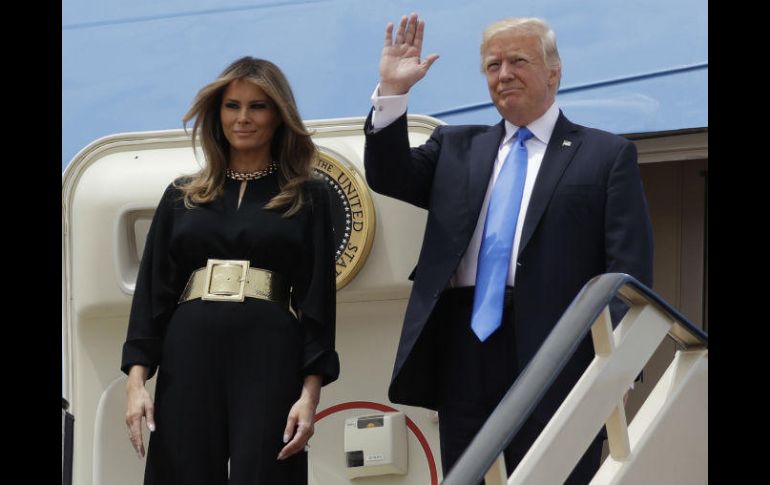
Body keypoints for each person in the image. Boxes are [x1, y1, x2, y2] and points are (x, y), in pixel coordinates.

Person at [364, 14, 653, 483]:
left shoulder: (605, 155)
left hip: (559, 347)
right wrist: (393, 92)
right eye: (493, 65)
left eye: (518, 61)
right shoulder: (455, 146)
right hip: (464, 345)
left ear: (554, 72)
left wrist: (618, 365)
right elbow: (389, 176)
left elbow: (628, 270)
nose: (503, 74)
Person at [121, 56, 339, 485]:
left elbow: (318, 303)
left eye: (258, 106)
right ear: (216, 114)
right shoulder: (181, 195)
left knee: (265, 470)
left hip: (269, 351)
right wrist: (136, 384)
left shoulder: (307, 196)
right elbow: (151, 296)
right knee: (182, 469)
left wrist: (309, 396)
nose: (243, 118)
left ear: (278, 115)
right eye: (232, 106)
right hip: (189, 349)